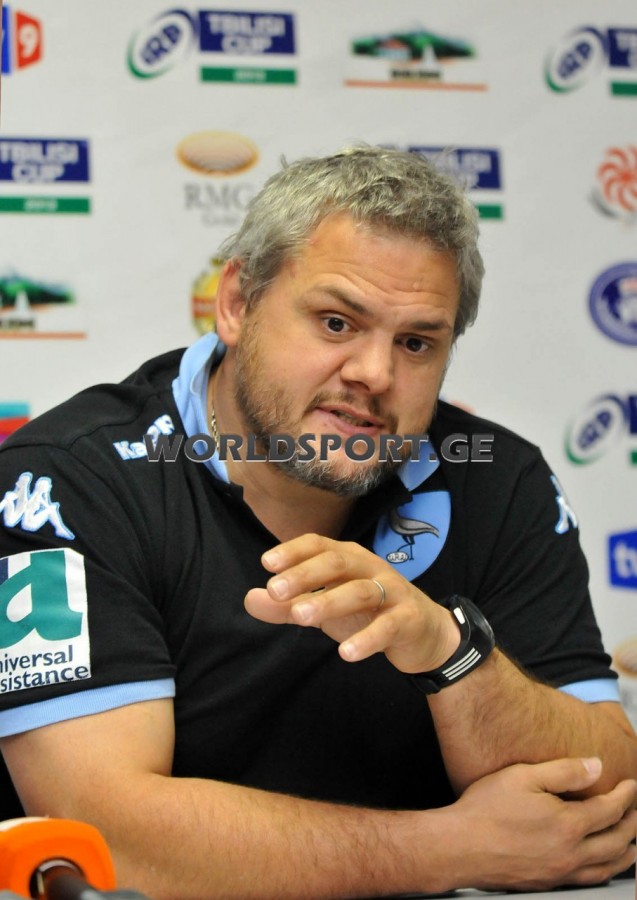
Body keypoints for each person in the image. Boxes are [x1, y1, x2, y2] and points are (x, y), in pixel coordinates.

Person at [0, 146, 635, 899]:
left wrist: (449, 651)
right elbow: (100, 832)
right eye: (337, 322)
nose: (374, 374)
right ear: (235, 304)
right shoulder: (69, 479)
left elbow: (607, 786)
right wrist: (448, 850)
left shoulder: (498, 479)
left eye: (416, 342)